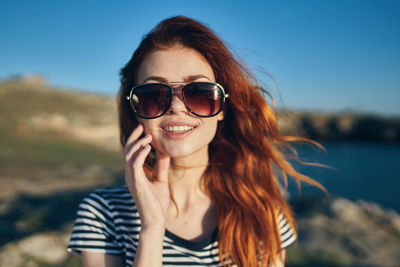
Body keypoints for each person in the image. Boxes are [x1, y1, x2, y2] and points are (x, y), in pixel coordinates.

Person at [68, 16, 323, 267]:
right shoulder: (102, 213)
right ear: (136, 111)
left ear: (222, 107)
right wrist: (152, 230)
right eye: (153, 95)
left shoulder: (261, 210)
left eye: (200, 93)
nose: (177, 107)